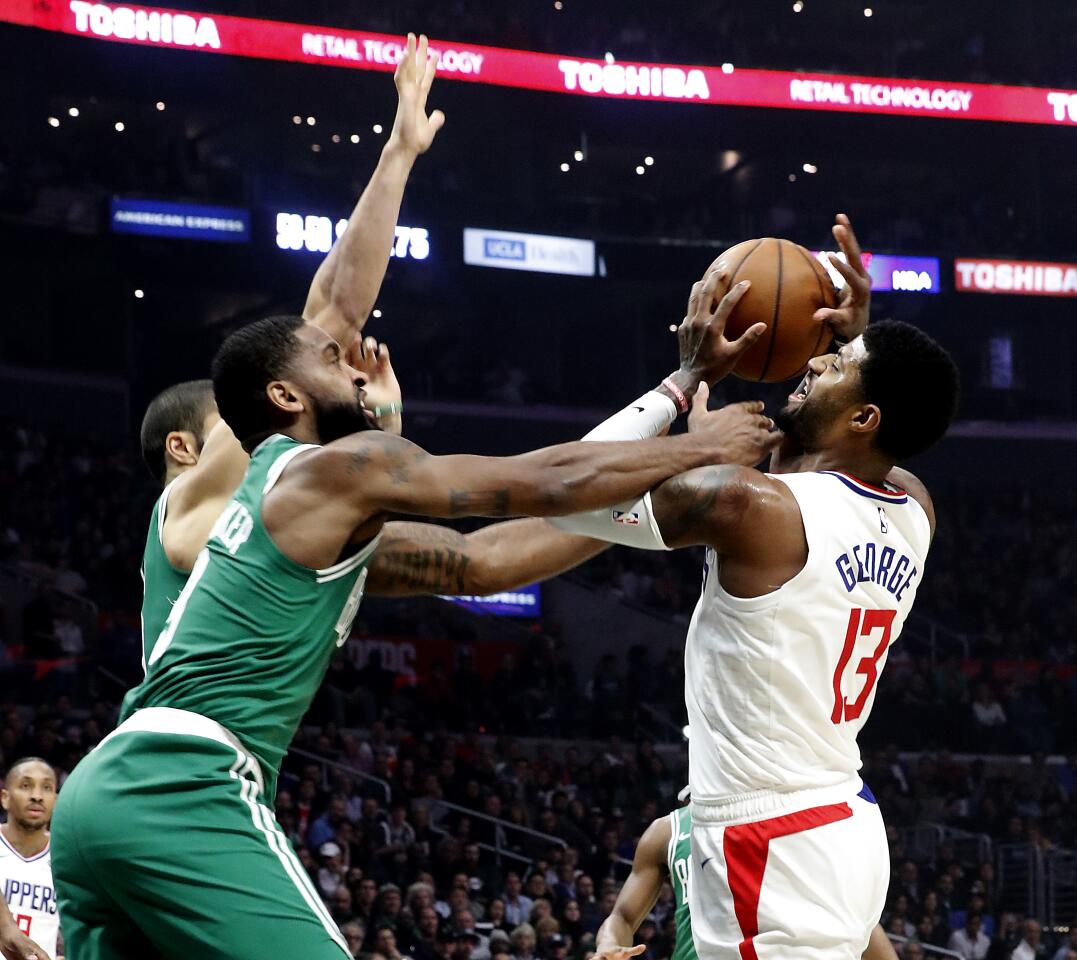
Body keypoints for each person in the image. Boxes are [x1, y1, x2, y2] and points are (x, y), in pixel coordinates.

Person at [50, 213, 773, 960]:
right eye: (336, 362)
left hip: (104, 794)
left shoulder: (299, 517)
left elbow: (489, 559)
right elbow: (543, 480)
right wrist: (693, 441)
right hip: (180, 781)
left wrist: (678, 398)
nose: (359, 370)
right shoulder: (329, 469)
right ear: (286, 398)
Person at [551, 215, 960, 960]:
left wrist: (684, 383)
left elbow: (566, 486)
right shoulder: (913, 510)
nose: (815, 362)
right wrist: (856, 350)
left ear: (865, 415)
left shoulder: (749, 505)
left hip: (766, 840)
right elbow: (866, 452)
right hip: (842, 819)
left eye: (834, 366)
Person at [133, 30, 443, 659]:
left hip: (225, 750)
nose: (264, 422)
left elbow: (390, 512)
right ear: (185, 448)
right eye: (230, 421)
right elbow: (333, 312)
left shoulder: (254, 522)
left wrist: (384, 419)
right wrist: (399, 153)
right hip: (182, 751)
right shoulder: (186, 499)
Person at [594, 802, 896, 960]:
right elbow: (621, 916)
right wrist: (608, 945)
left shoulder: (792, 817)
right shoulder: (668, 831)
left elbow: (855, 919)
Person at [0, 759, 59, 960]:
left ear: (56, 800)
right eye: (26, 786)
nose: (37, 796)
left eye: (47, 788)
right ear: (4, 797)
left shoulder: (68, 857)